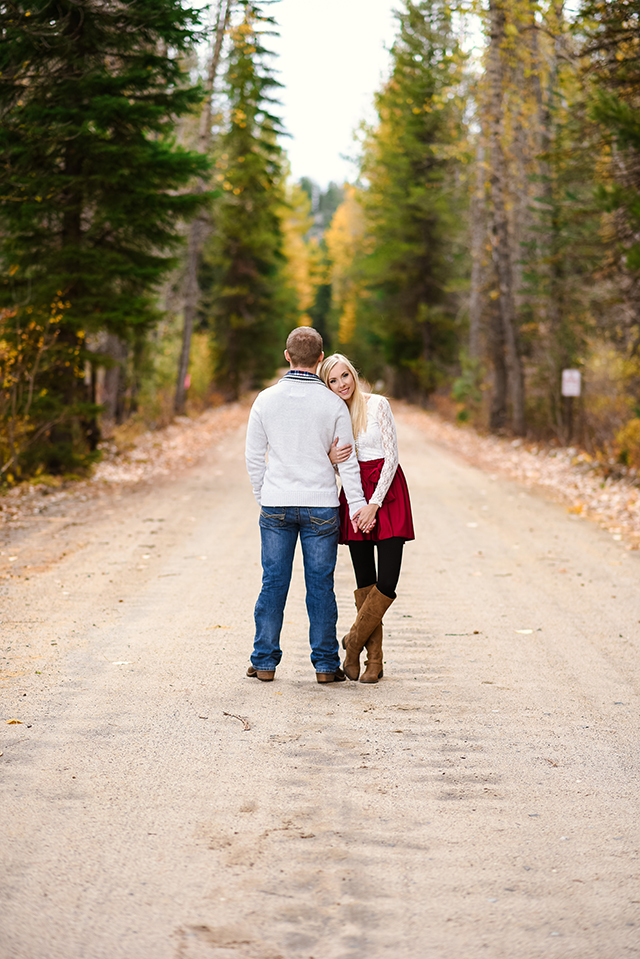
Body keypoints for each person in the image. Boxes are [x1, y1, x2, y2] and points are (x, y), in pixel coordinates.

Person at [245, 328, 368, 684]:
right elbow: (347, 461)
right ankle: (326, 666)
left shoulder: (266, 400)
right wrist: (358, 505)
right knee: (320, 586)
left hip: (277, 504)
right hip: (321, 507)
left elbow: (254, 456)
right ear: (320, 358)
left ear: (287, 356)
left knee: (273, 583)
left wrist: (264, 494)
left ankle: (265, 662)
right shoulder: (332, 404)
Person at [319, 353, 414, 684]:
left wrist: (374, 504)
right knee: (366, 581)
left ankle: (352, 642)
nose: (341, 384)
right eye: (333, 380)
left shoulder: (377, 405)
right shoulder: (331, 415)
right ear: (326, 385)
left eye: (345, 376)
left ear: (354, 375)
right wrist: (329, 458)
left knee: (387, 582)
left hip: (387, 494)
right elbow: (331, 464)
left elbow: (392, 457)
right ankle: (374, 661)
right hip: (353, 495)